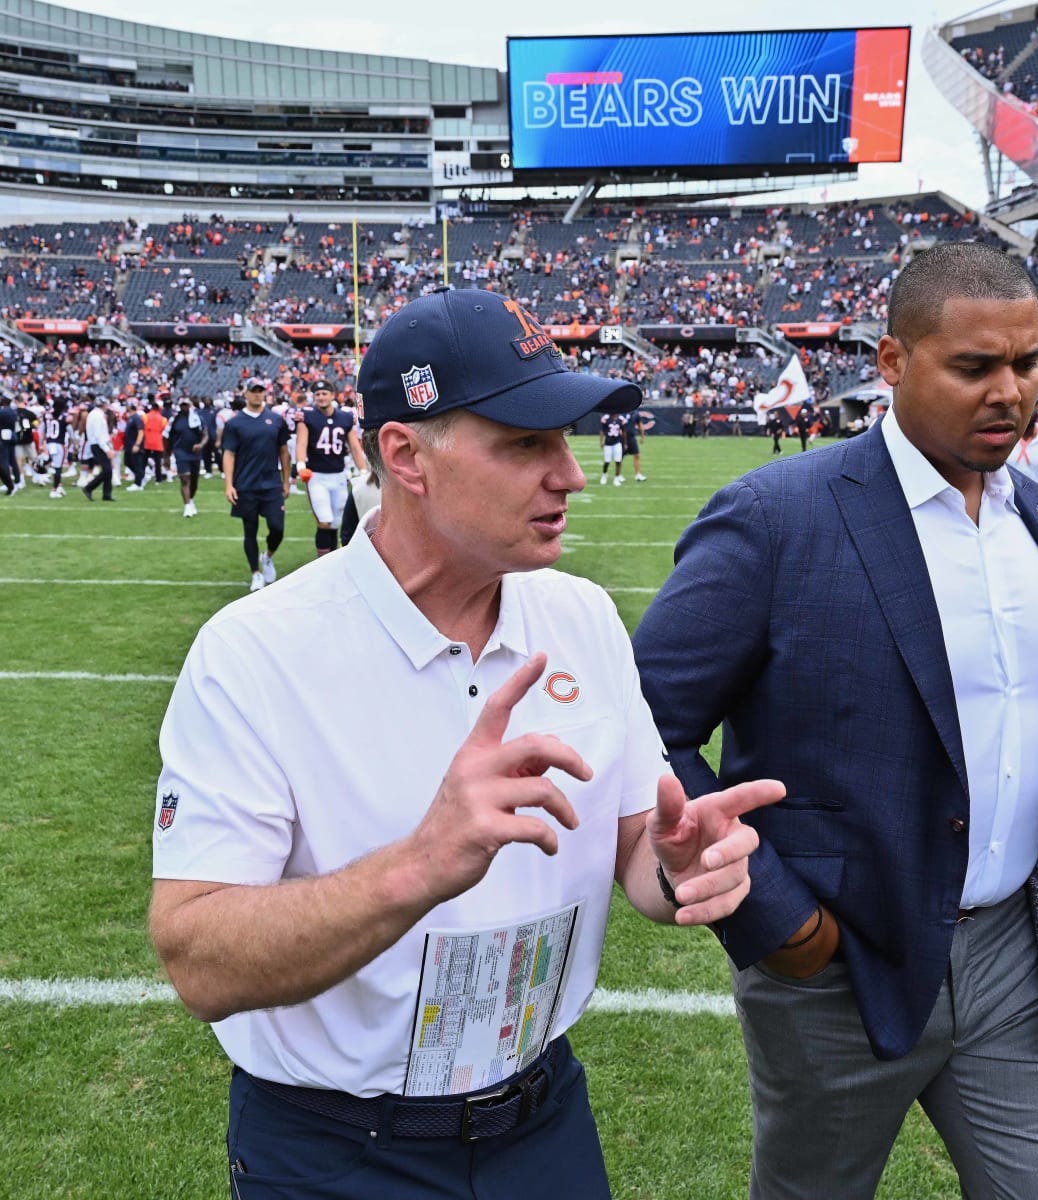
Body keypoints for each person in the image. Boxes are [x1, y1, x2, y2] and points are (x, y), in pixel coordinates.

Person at [148, 286, 783, 1200]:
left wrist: (679, 863)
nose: (569, 473)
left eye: (566, 440)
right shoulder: (255, 653)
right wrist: (420, 864)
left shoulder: (582, 615)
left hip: (543, 1117)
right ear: (406, 454)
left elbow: (639, 848)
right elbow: (198, 956)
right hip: (334, 1149)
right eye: (527, 444)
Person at [633, 242, 1038, 1200]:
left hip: (1012, 955)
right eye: (974, 366)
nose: (1010, 392)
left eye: (1027, 364)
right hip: (840, 960)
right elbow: (643, 720)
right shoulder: (776, 514)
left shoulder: (1036, 513)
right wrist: (786, 924)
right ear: (893, 363)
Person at [221, 378, 290, 591]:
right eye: (254, 391)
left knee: (277, 528)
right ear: (246, 394)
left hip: (271, 484)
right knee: (249, 531)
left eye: (261, 390)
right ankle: (255, 573)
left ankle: (267, 556)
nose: (258, 394)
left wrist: (286, 481)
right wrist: (229, 484)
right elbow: (229, 453)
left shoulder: (276, 420)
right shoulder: (234, 423)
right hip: (246, 485)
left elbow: (284, 452)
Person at [295, 379, 367, 557]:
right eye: (317, 394)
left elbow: (355, 448)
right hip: (317, 476)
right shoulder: (308, 416)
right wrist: (301, 466)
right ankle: (322, 560)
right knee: (324, 521)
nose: (321, 397)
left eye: (324, 393)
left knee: (336, 522)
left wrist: (363, 472)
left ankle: (332, 559)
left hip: (339, 475)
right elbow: (301, 443)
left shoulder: (344, 417)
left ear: (332, 395)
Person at [166, 398, 209, 517]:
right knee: (185, 478)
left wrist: (201, 444)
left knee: (194, 481)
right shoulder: (174, 420)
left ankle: (190, 499)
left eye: (186, 405)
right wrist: (167, 456)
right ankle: (187, 506)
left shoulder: (197, 418)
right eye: (182, 405)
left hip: (194, 453)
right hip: (180, 452)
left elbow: (205, 434)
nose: (184, 407)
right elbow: (168, 438)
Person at [81, 396, 116, 501]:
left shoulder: (96, 414)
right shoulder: (97, 416)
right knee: (107, 470)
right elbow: (98, 435)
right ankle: (89, 487)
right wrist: (107, 449)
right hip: (99, 444)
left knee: (108, 470)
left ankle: (107, 494)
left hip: (99, 444)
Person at [43, 398, 70, 498]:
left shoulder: (47, 415)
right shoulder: (64, 416)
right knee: (58, 468)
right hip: (59, 444)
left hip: (49, 443)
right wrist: (75, 443)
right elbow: (69, 430)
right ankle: (54, 490)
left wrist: (42, 443)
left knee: (54, 465)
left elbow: (43, 429)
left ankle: (58, 486)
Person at [123, 401, 146, 491]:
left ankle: (138, 483)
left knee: (136, 463)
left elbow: (141, 432)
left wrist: (137, 444)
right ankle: (141, 476)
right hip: (129, 445)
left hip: (134, 445)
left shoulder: (136, 418)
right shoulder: (131, 417)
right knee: (127, 462)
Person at [143, 400, 167, 484]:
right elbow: (163, 429)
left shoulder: (145, 417)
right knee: (158, 462)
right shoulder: (163, 419)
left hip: (147, 441)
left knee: (143, 460)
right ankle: (158, 479)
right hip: (157, 441)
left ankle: (142, 476)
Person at [599, 410, 625, 485]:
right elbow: (602, 431)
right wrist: (601, 442)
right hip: (608, 443)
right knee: (607, 461)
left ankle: (616, 478)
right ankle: (604, 475)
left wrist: (625, 443)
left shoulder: (621, 419)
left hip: (617, 442)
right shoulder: (606, 418)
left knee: (618, 461)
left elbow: (624, 431)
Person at [622, 409, 648, 480]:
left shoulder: (636, 414)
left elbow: (640, 425)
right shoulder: (622, 413)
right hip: (622, 438)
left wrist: (642, 437)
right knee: (620, 457)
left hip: (632, 438)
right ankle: (618, 475)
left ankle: (638, 474)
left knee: (637, 455)